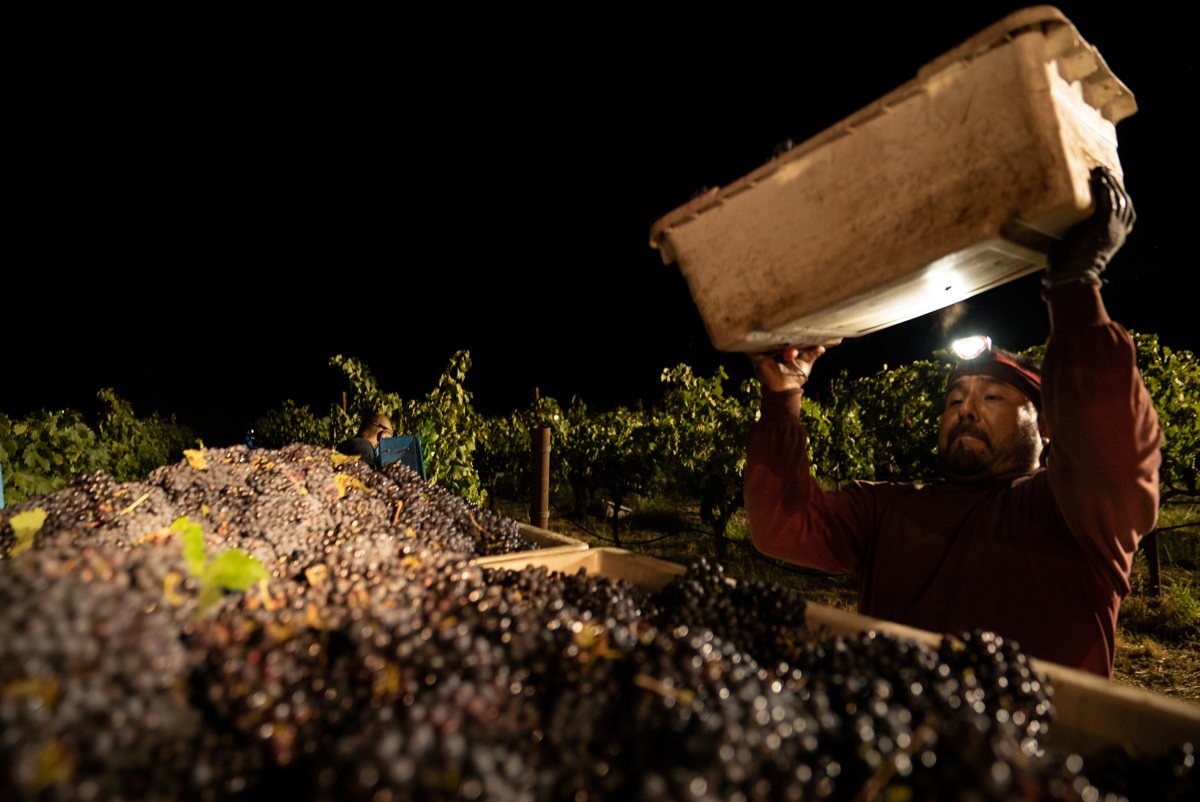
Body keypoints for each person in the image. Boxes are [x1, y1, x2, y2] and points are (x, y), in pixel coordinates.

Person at [744, 167, 1162, 677]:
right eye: (955, 398)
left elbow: (1113, 447)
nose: (965, 408)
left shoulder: (1075, 514)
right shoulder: (887, 509)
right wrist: (783, 397)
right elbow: (781, 527)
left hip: (1033, 752)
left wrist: (1075, 285)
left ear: (1047, 424)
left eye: (992, 396)